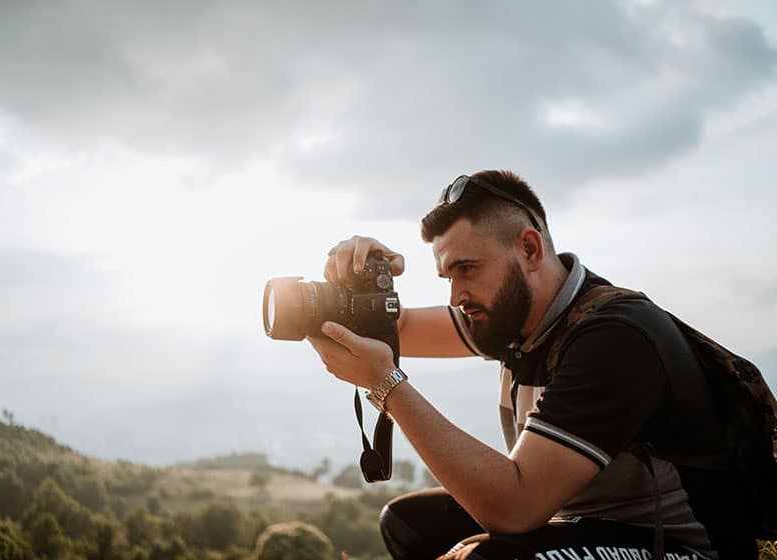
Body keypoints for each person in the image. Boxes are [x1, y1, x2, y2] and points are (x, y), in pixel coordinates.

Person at [307, 170, 759, 559]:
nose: (456, 296)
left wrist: (387, 385)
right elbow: (394, 328)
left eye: (467, 269)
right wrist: (357, 280)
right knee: (407, 523)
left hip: (683, 548)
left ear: (529, 248)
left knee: (492, 557)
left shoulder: (614, 335)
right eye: (448, 276)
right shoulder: (515, 317)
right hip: (587, 524)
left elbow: (515, 506)